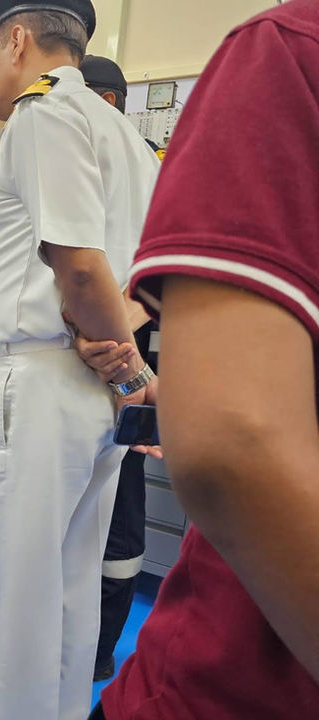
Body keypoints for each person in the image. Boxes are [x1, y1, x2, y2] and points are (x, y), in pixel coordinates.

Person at [93, 1, 319, 717]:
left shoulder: (286, 51)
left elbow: (233, 443)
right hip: (177, 360)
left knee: (87, 532)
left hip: (241, 677)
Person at [0, 2, 159, 718]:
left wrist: (116, 357)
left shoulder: (40, 114)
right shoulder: (128, 138)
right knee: (74, 588)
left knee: (19, 602)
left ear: (16, 40)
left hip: (42, 384)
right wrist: (125, 362)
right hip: (96, 392)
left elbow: (78, 269)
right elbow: (144, 282)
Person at [78, 52, 162, 682]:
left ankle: (101, 645)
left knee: (121, 509)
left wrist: (114, 334)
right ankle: (88, 644)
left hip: (138, 371)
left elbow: (166, 283)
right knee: (95, 510)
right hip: (103, 361)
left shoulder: (149, 169)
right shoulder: (78, 172)